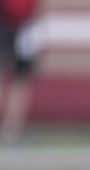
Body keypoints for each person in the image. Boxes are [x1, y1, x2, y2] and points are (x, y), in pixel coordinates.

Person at [0, 0, 40, 146]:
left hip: (24, 26)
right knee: (19, 81)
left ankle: (12, 129)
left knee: (21, 81)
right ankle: (11, 130)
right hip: (9, 23)